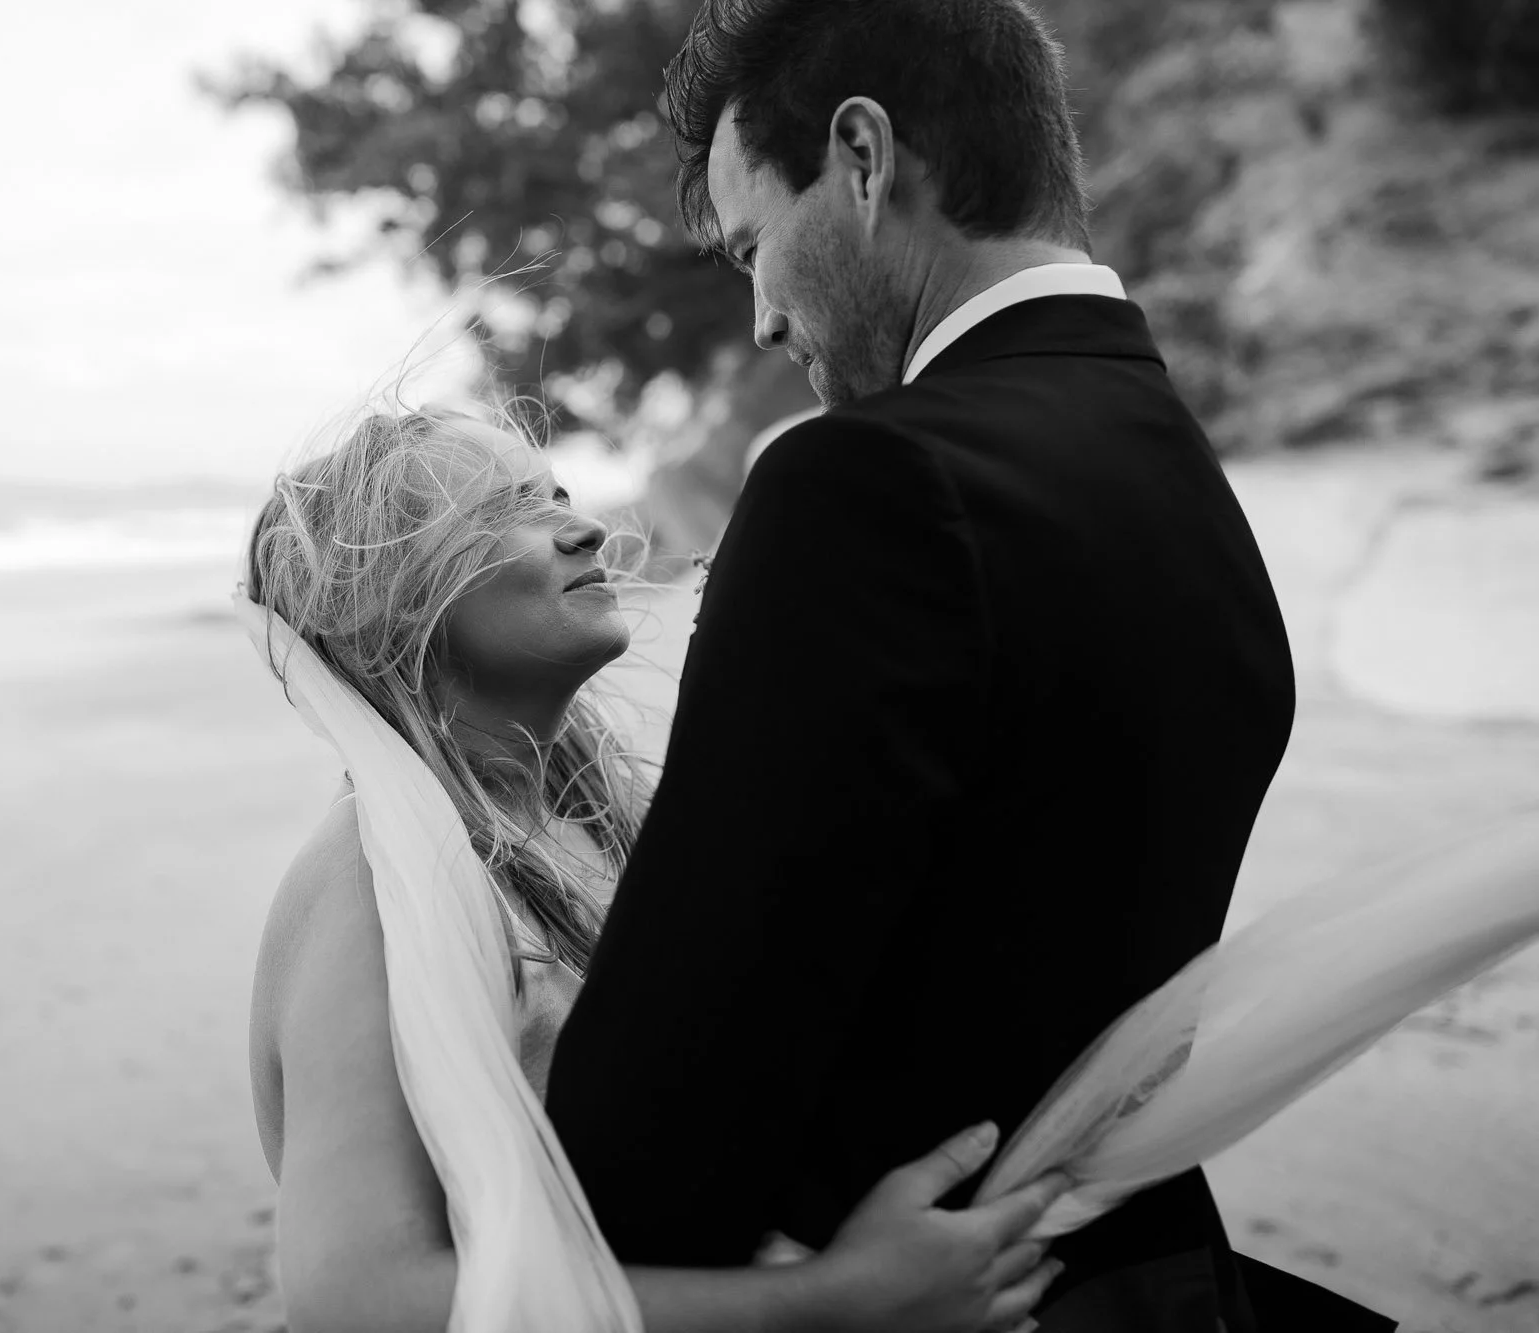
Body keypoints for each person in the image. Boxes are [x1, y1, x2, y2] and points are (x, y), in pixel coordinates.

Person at [539, 1, 1399, 1329]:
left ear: (867, 158)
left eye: (756, 245)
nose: (763, 316)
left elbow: (671, 1087)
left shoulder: (866, 488)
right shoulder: (1176, 471)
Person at [241, 406, 1068, 1332]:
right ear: (387, 596)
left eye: (556, 491)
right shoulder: (371, 880)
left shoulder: (595, 816)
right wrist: (839, 1301)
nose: (586, 524)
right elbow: (356, 1298)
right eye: (505, 509)